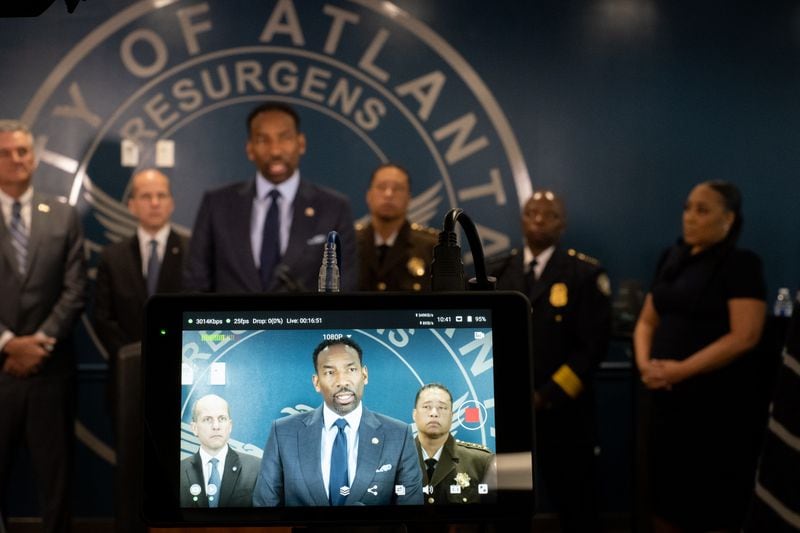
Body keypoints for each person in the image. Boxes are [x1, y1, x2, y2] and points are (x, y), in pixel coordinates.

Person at [633, 180, 766, 532]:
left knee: (707, 504)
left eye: (702, 210)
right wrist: (646, 365)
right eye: (688, 207)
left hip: (713, 408)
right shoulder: (671, 257)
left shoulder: (741, 265)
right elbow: (647, 321)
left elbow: (746, 336)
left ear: (729, 218)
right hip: (663, 401)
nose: (690, 217)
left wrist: (681, 371)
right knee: (662, 496)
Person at [487, 190, 611, 532]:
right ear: (522, 219)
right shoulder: (499, 272)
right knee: (510, 508)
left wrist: (546, 395)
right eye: (531, 213)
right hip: (511, 419)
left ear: (563, 223)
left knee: (576, 504)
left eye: (549, 214)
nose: (539, 220)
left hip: (565, 415)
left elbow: (592, 350)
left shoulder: (583, 274)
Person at [0, 120, 86, 532]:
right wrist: (6, 344)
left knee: (57, 484)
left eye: (23, 151)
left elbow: (75, 289)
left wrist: (38, 343)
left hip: (51, 370)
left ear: (33, 157)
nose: (16, 159)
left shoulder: (63, 215)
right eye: (6, 153)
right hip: (1, 370)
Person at [185, 101, 357, 293]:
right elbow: (196, 285)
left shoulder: (334, 208)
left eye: (285, 138)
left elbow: (343, 289)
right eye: (262, 140)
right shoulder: (216, 204)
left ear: (301, 144)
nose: (275, 151)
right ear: (250, 149)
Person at [252, 338, 422, 506]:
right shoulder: (282, 432)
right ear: (316, 382)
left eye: (351, 369)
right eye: (330, 372)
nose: (342, 381)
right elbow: (265, 507)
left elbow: (410, 514)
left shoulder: (399, 435)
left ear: (364, 375)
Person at [92, 168, 187, 418]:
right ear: (132, 205)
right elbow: (103, 318)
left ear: (172, 203)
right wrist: (136, 355)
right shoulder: (112, 257)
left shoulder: (193, 251)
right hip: (128, 375)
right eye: (146, 196)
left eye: (161, 195)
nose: (154, 203)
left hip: (183, 376)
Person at [356, 163, 437, 291]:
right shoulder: (347, 245)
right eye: (381, 187)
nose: (388, 194)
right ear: (369, 196)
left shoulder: (433, 248)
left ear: (409, 198)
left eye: (398, 188)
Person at [412, 383, 495, 505]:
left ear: (452, 416)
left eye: (442, 408)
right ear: (414, 414)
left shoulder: (481, 462)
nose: (434, 413)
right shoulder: (396, 459)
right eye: (427, 407)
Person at [180, 394, 260, 508]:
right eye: (207, 419)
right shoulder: (179, 471)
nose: (216, 426)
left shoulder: (256, 468)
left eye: (222, 419)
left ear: (230, 426)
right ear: (194, 428)